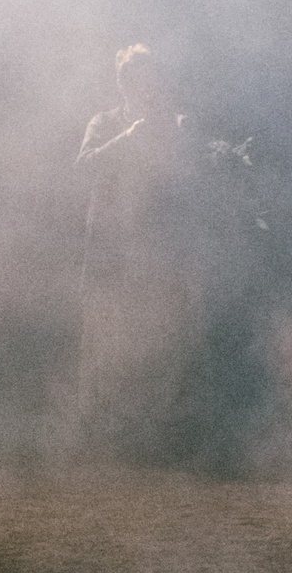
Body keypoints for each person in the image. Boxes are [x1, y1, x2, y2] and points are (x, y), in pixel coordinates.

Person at [72, 44, 262, 466]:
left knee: (167, 349)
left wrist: (196, 147)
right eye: (137, 79)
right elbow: (82, 167)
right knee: (105, 350)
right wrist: (127, 139)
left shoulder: (174, 128)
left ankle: (162, 447)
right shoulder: (104, 123)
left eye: (152, 79)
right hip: (112, 260)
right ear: (124, 83)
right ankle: (96, 450)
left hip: (161, 261)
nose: (147, 86)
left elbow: (194, 191)